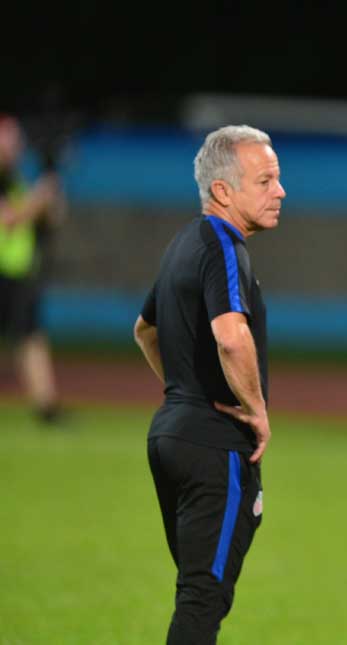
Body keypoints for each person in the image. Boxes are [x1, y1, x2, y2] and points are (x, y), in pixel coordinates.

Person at [133, 125, 283, 644]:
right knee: (203, 599)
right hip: (212, 445)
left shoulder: (183, 243)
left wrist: (183, 390)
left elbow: (144, 329)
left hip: (170, 435)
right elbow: (231, 336)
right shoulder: (223, 245)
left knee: (198, 593)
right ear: (223, 190)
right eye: (265, 180)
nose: (279, 191)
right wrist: (257, 410)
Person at [0, 114, 64, 423]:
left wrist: (51, 194)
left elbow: (51, 219)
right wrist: (41, 196)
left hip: (17, 272)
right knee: (29, 338)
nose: (15, 145)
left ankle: (46, 407)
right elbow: (10, 219)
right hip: (5, 272)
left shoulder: (15, 180)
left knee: (31, 336)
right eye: (8, 138)